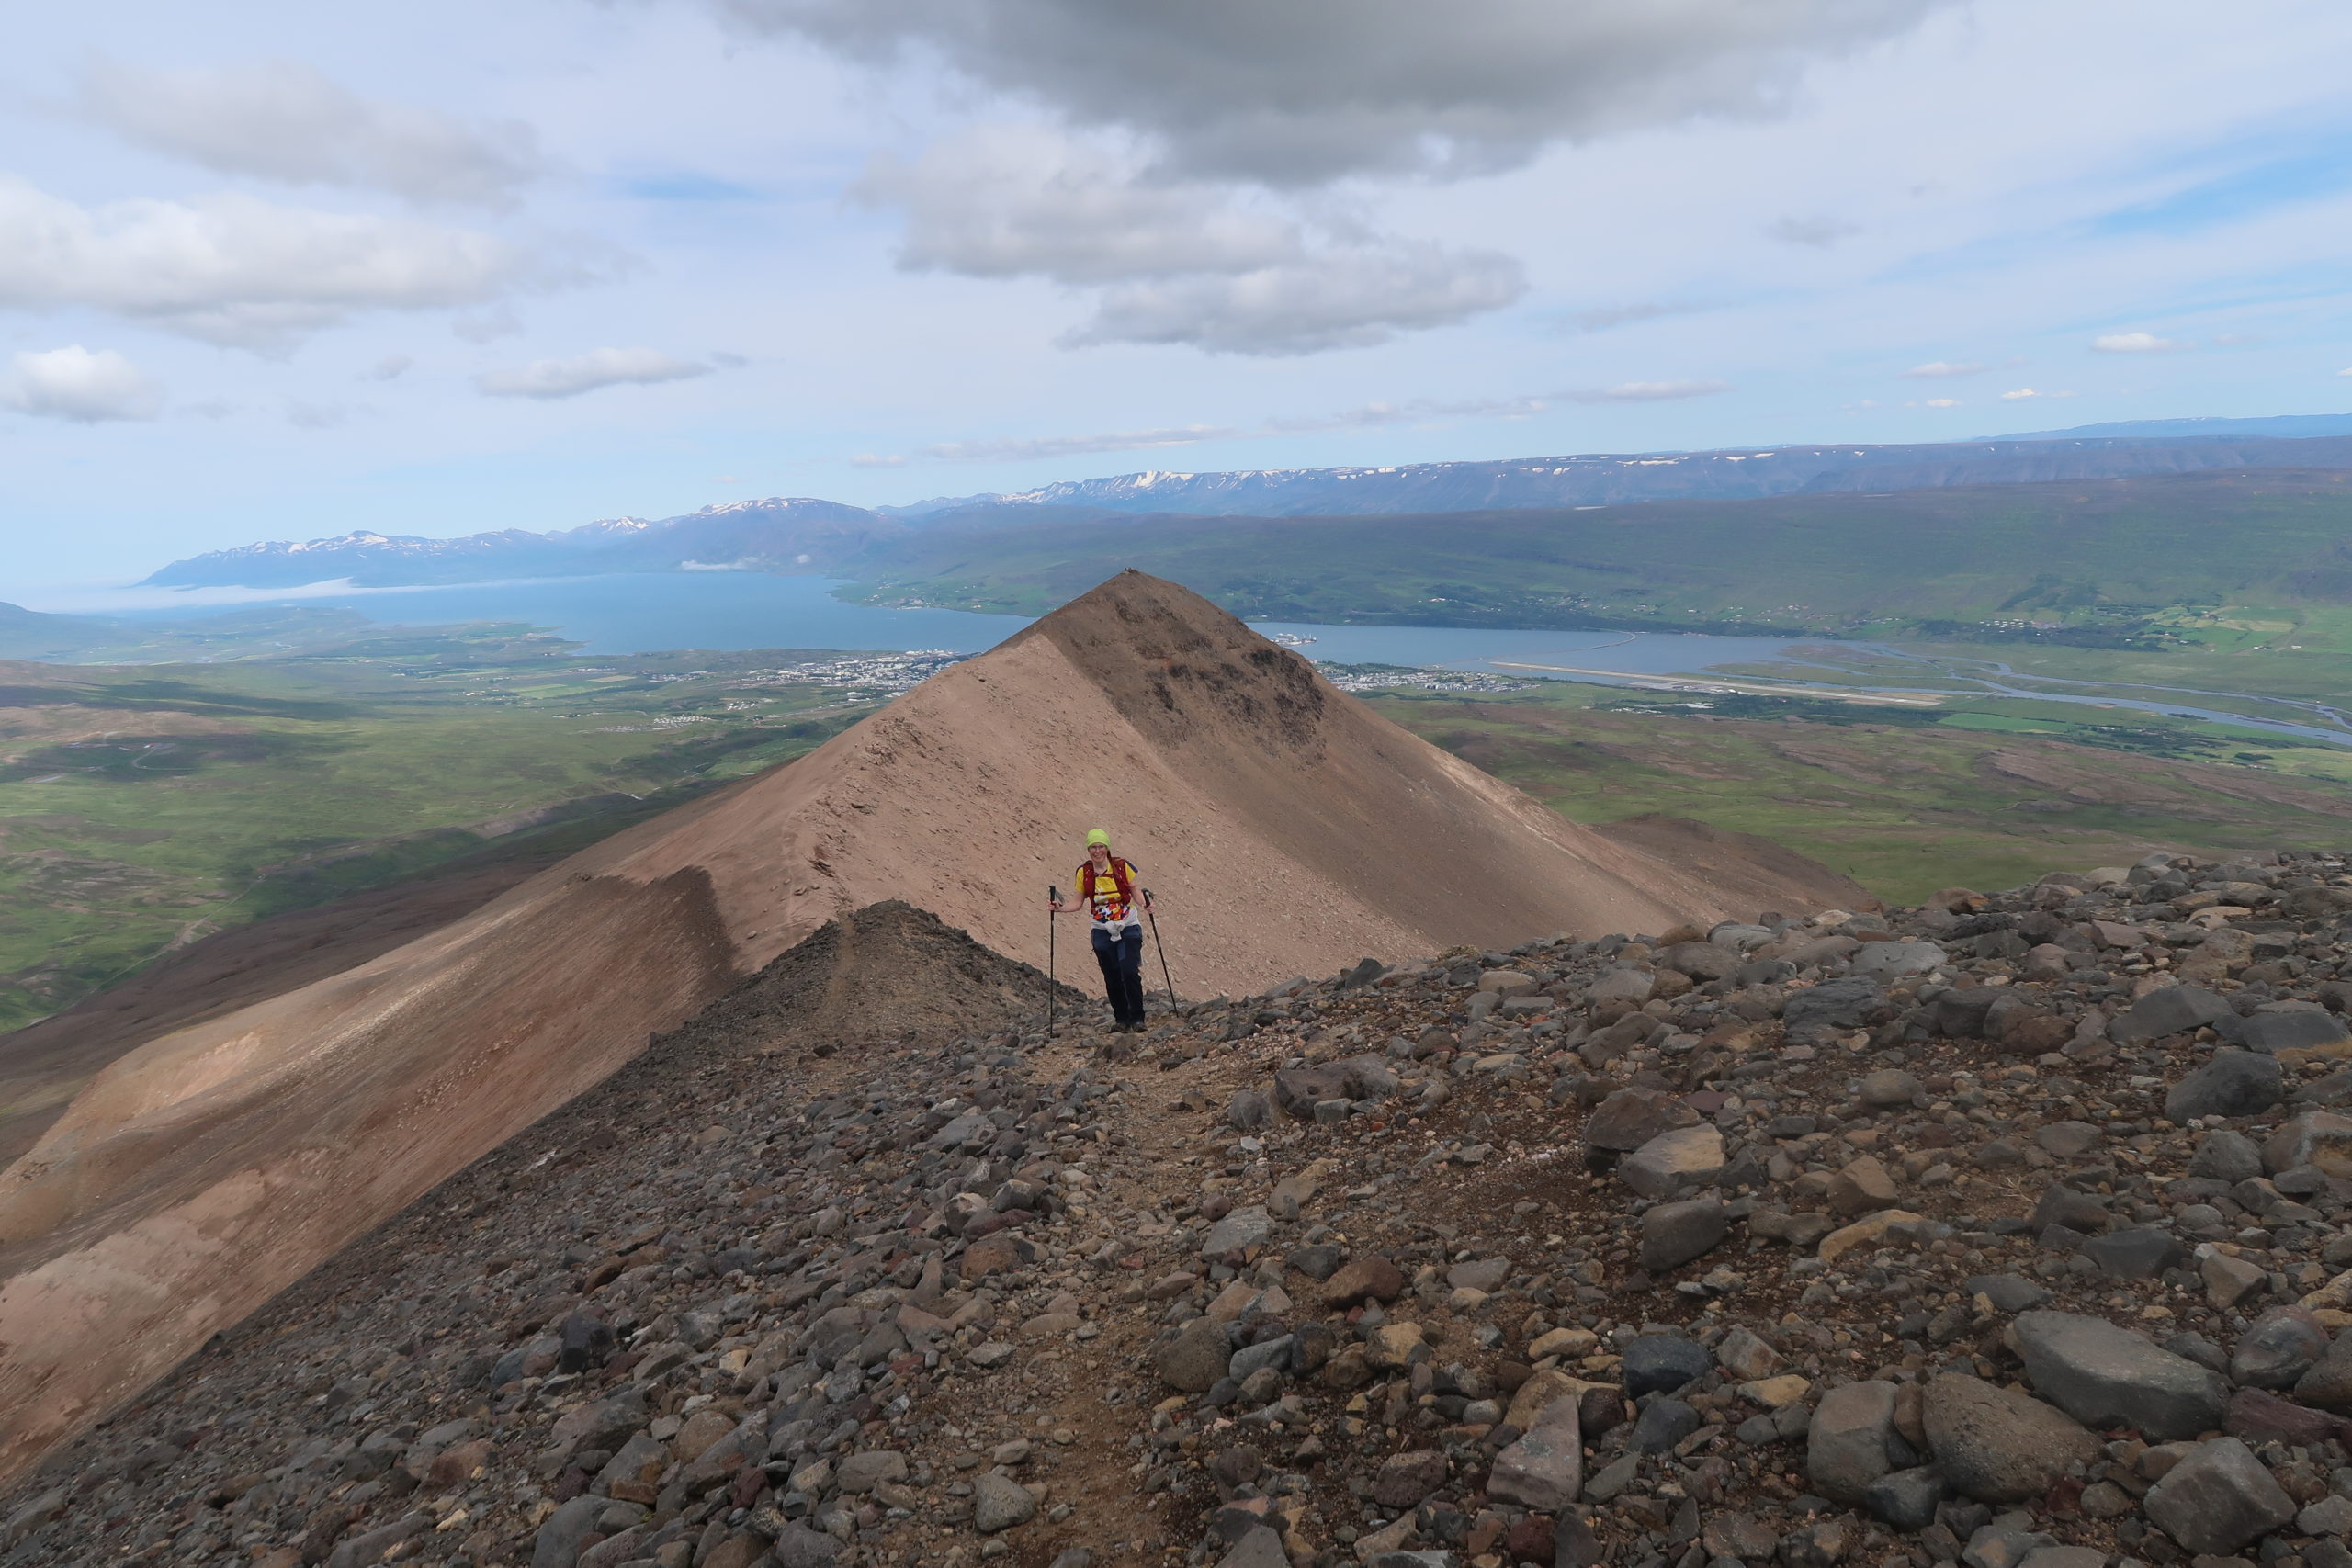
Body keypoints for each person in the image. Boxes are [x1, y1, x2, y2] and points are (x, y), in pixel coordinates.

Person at [1049, 828, 1149, 1032]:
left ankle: (1137, 1018)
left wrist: (1146, 904)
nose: (1097, 851)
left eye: (1101, 846)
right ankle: (1122, 1019)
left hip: (1127, 924)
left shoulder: (1121, 866)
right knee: (1111, 974)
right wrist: (1059, 909)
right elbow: (1078, 902)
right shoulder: (1084, 873)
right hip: (1101, 928)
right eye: (1093, 847)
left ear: (1107, 848)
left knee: (1129, 970)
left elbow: (1135, 891)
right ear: (1088, 849)